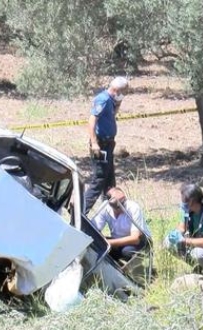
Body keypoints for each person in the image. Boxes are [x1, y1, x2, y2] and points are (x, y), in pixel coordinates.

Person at [83, 77, 129, 215]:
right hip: (101, 145)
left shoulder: (110, 101)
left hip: (109, 144)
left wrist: (118, 103)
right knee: (99, 179)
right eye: (124, 91)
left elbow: (111, 116)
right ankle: (80, 213)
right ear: (116, 89)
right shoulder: (103, 99)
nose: (124, 94)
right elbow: (92, 121)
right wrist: (94, 143)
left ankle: (108, 213)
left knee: (109, 182)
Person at [165, 183, 203, 273]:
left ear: (191, 201)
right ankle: (200, 268)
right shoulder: (188, 210)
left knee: (196, 253)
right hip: (201, 248)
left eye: (183, 200)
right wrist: (176, 233)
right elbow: (182, 227)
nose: (182, 202)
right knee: (168, 243)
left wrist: (184, 241)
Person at [91, 187, 151, 262]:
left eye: (123, 201)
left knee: (127, 252)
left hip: (140, 241)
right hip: (118, 241)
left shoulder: (133, 208)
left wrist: (109, 243)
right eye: (119, 204)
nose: (122, 205)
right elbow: (93, 229)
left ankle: (135, 270)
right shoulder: (105, 207)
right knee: (96, 244)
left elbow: (135, 239)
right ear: (110, 203)